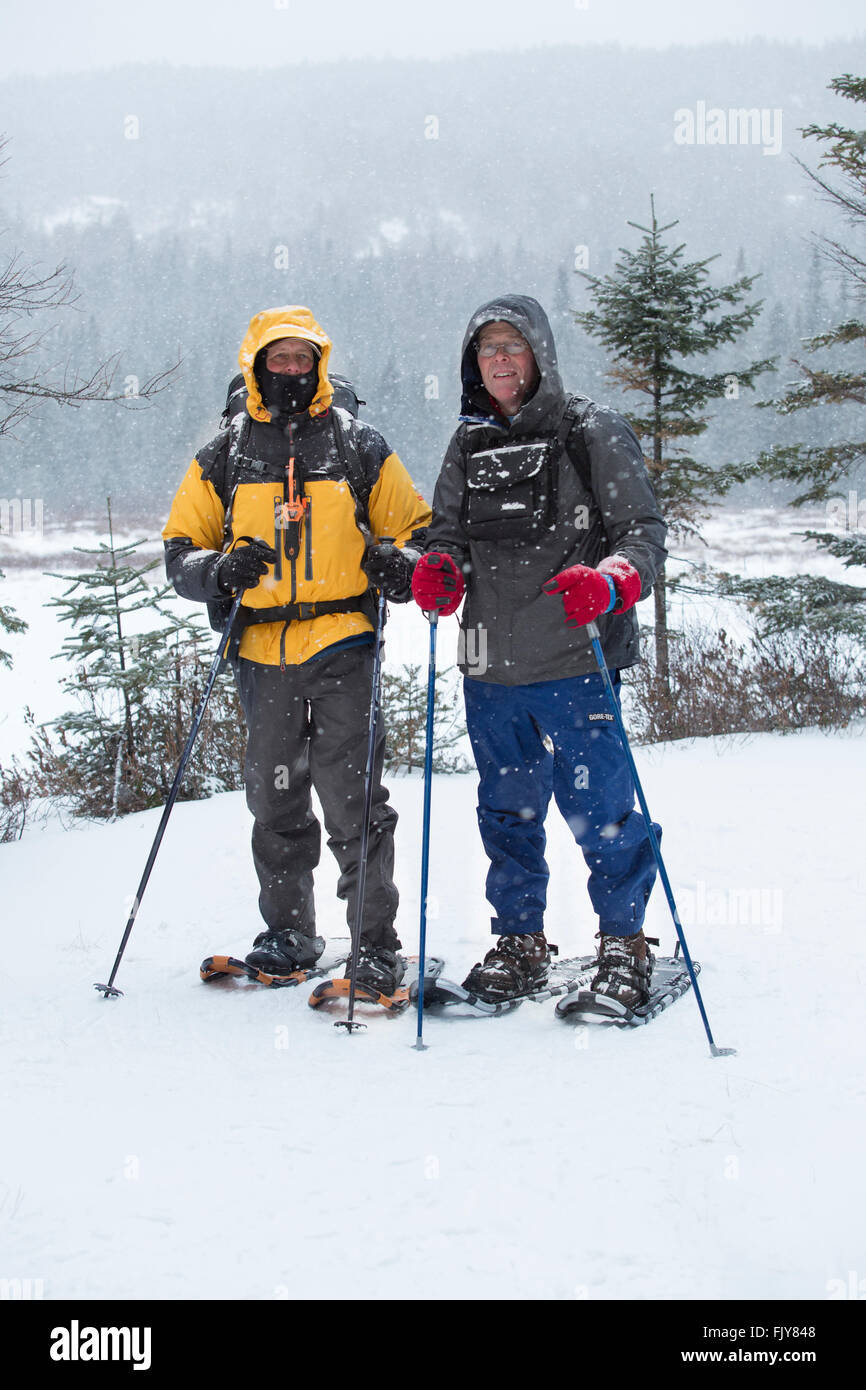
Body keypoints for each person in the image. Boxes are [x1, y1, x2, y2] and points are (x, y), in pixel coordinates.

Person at [163, 305, 431, 995]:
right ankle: (289, 933)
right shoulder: (224, 453)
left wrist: (398, 564)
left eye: (301, 358)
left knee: (353, 798)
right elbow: (180, 552)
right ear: (255, 364)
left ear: (318, 364)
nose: (290, 368)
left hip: (343, 640)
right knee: (274, 800)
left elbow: (419, 530)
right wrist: (218, 572)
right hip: (260, 651)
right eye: (277, 358)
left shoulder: (358, 445)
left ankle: (374, 944)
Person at [411, 295, 668, 1005]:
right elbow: (448, 542)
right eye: (486, 348)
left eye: (511, 346)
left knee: (604, 812)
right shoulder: (467, 444)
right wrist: (439, 574)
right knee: (506, 811)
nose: (498, 359)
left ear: (538, 355)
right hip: (490, 662)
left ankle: (624, 945)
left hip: (576, 658)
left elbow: (642, 535)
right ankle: (519, 942)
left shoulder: (591, 428)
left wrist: (612, 584)